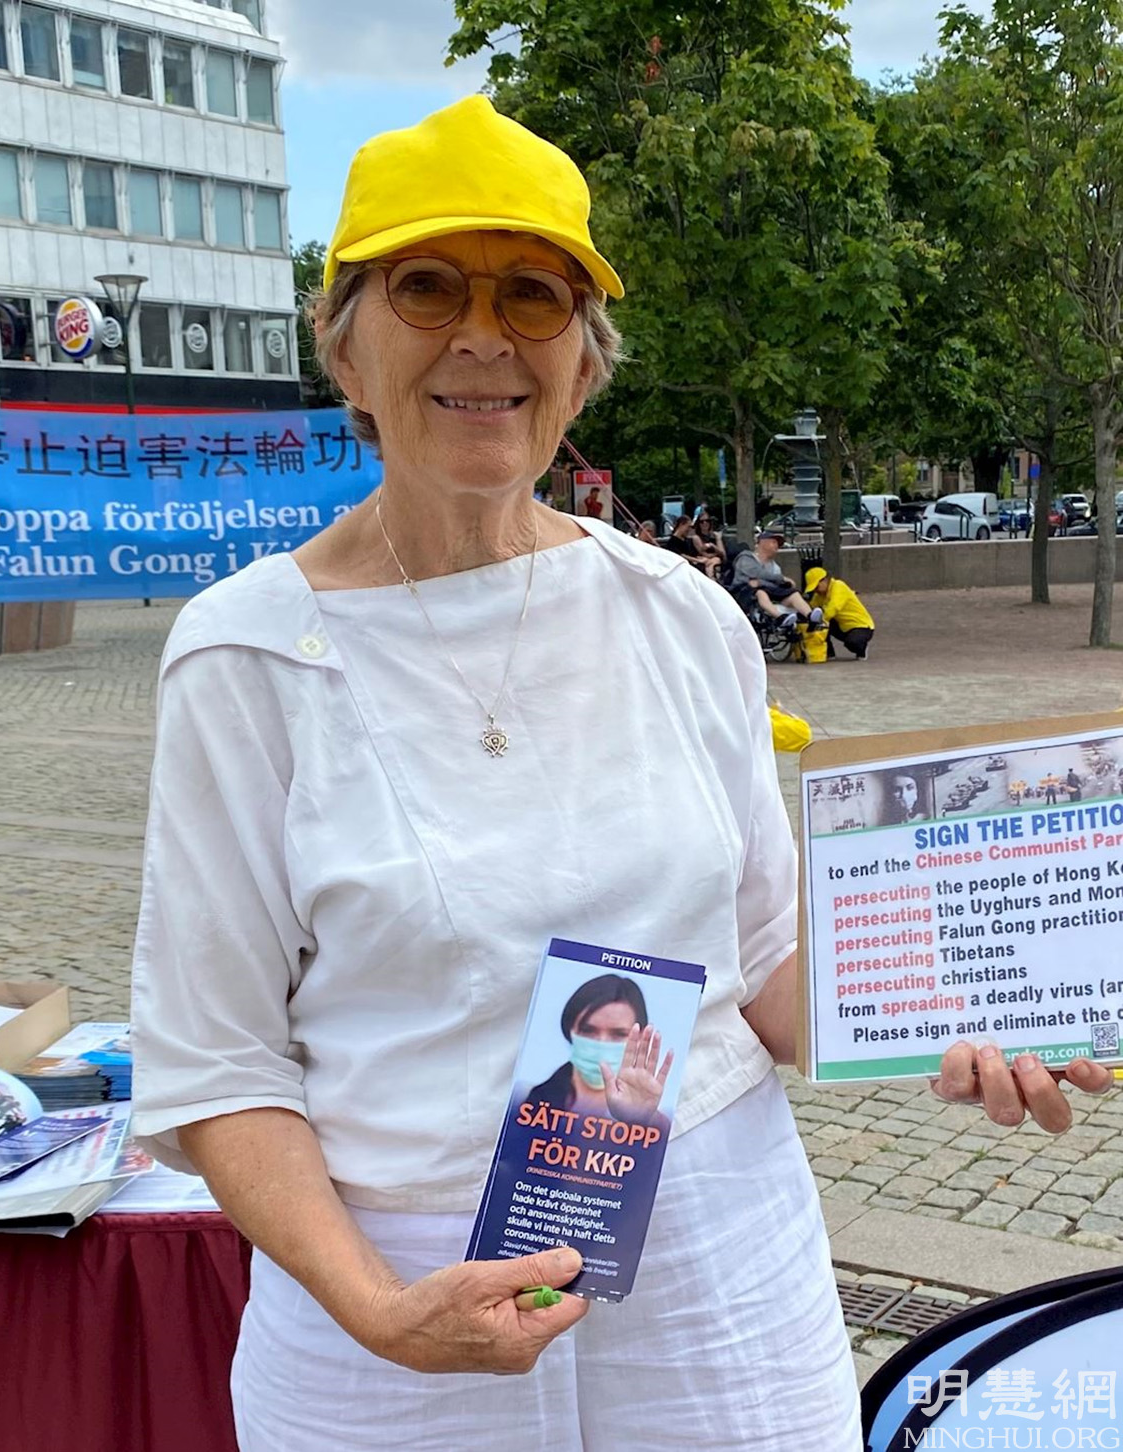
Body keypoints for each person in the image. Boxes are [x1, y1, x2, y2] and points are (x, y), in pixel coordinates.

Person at [130, 94, 1114, 1452]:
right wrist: (376, 1307)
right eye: (427, 287)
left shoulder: (683, 615)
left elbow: (763, 958)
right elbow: (220, 1057)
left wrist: (969, 1017)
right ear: (343, 346)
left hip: (721, 1269)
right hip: (392, 1302)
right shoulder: (243, 656)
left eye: (534, 296)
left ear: (584, 366)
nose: (484, 335)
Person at [526, 974, 672, 1127]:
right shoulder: (529, 1101)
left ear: (640, 1037)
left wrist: (644, 1121)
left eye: (619, 1034)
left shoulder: (655, 1118)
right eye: (588, 1030)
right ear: (570, 1030)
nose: (602, 1043)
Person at [730, 531, 823, 633]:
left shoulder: (775, 567)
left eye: (778, 544)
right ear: (762, 542)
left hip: (769, 595)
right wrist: (780, 579)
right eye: (773, 542)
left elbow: (772, 586)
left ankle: (810, 616)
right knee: (760, 592)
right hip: (744, 595)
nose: (777, 546)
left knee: (793, 594)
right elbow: (755, 574)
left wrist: (763, 583)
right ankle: (780, 618)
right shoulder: (745, 558)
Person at [804, 568, 875, 660]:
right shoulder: (819, 595)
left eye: (817, 587)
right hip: (842, 626)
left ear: (825, 580)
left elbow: (834, 607)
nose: (816, 591)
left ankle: (862, 649)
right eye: (814, 589)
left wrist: (819, 621)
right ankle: (829, 653)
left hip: (860, 626)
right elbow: (812, 608)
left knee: (852, 642)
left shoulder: (839, 586)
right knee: (820, 626)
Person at [661, 514, 719, 579]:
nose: (689, 529)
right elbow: (681, 555)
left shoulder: (686, 540)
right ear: (681, 525)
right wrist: (698, 560)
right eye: (688, 527)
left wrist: (700, 558)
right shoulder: (672, 542)